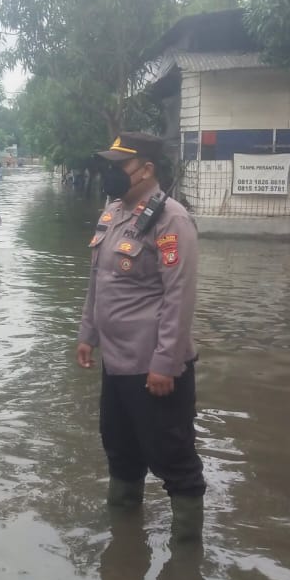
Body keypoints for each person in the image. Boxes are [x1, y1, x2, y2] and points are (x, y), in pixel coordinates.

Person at [75, 133, 204, 543]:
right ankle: (123, 539)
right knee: (120, 449)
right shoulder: (112, 213)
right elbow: (98, 280)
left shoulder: (172, 220)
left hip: (153, 367)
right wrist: (87, 333)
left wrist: (165, 363)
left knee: (173, 458)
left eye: (120, 166)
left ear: (146, 169)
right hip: (116, 363)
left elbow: (179, 297)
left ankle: (186, 557)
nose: (111, 174)